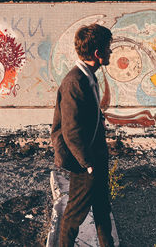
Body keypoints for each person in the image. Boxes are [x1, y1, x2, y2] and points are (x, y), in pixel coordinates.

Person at [51, 23, 114, 246]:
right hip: (85, 162)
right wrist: (88, 163)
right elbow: (71, 129)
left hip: (95, 157)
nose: (111, 52)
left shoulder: (88, 77)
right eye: (108, 48)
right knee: (75, 214)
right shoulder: (74, 82)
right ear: (98, 54)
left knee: (102, 208)